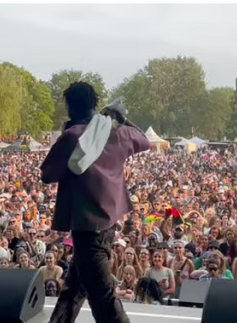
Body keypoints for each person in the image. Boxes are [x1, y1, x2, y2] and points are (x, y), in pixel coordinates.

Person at [42, 82, 149, 323]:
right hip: (109, 223)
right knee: (74, 289)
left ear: (70, 108)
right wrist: (119, 119)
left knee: (103, 299)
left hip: (85, 226)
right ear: (94, 104)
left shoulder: (71, 137)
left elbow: (47, 175)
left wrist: (65, 132)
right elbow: (144, 140)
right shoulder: (117, 132)